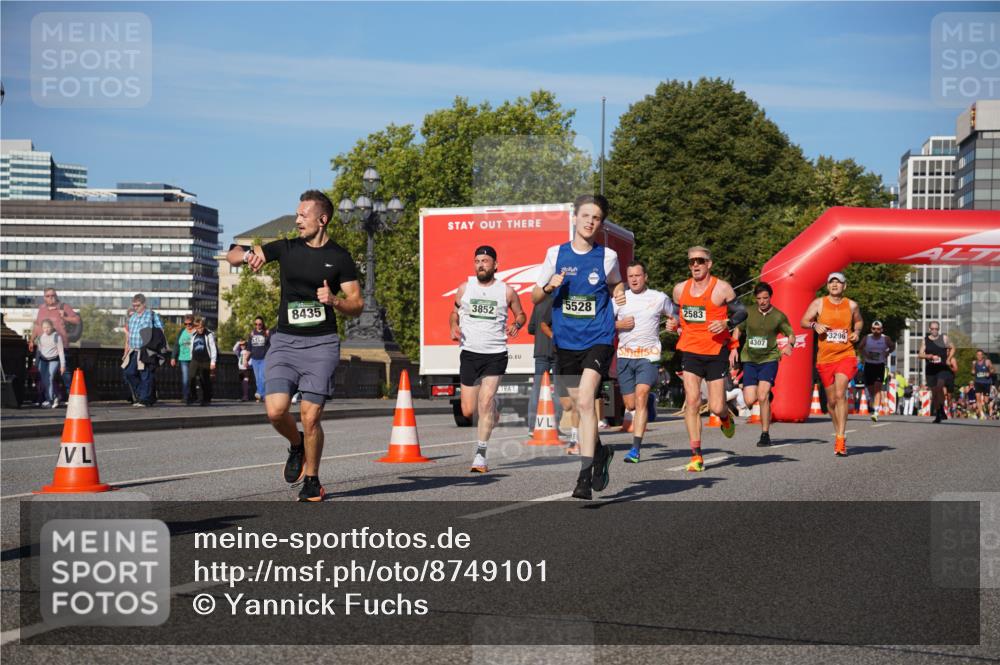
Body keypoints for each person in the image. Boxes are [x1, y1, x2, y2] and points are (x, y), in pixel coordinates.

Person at [227, 190, 362, 502]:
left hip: (321, 345)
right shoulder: (286, 248)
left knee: (311, 416)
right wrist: (248, 256)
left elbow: (356, 303)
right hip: (285, 343)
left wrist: (335, 301)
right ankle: (297, 444)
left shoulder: (340, 257)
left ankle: (313, 480)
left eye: (304, 215)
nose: (298, 220)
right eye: (297, 214)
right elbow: (233, 251)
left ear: (322, 219)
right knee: (275, 412)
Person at [532, 194, 625, 500]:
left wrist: (620, 293)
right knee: (574, 406)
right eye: (585, 216)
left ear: (601, 224)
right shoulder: (555, 254)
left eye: (596, 218)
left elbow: (614, 283)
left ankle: (584, 477)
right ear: (574, 218)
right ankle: (599, 453)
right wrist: (550, 286)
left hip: (598, 337)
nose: (590, 222)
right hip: (566, 341)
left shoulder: (607, 257)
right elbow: (535, 297)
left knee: (586, 402)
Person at [664, 246, 745, 472]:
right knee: (692, 401)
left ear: (709, 264)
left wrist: (727, 323)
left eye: (700, 261)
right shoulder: (680, 289)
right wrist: (674, 324)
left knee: (717, 406)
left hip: (716, 351)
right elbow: (677, 316)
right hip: (690, 350)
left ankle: (725, 418)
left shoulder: (721, 288)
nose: (695, 265)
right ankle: (696, 455)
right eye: (691, 262)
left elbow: (742, 312)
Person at [450, 245, 526, 473]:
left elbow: (521, 314)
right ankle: (494, 409)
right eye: (477, 261)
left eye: (485, 261)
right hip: (470, 353)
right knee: (467, 410)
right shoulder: (464, 289)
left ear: (495, 265)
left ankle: (480, 457)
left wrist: (516, 324)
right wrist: (453, 325)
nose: (481, 265)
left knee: (485, 401)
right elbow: (454, 312)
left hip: (495, 354)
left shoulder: (506, 291)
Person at [613, 260, 676, 463]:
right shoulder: (619, 299)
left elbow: (674, 315)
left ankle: (635, 449)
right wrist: (618, 324)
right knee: (630, 404)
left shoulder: (658, 298)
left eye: (637, 276)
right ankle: (648, 400)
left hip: (648, 356)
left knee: (640, 397)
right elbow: (603, 323)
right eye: (630, 276)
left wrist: (674, 323)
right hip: (625, 356)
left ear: (645, 277)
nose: (634, 279)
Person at [800, 272, 863, 456]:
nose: (835, 285)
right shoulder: (819, 303)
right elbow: (804, 320)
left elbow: (858, 321)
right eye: (831, 282)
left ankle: (841, 438)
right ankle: (838, 433)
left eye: (838, 282)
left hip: (846, 354)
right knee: (831, 402)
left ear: (845, 286)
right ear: (827, 286)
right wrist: (814, 326)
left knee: (840, 393)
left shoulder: (851, 305)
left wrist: (857, 332)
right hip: (825, 358)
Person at [737, 282, 794, 447]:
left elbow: (791, 334)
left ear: (770, 297)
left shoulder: (778, 316)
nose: (762, 301)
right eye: (759, 298)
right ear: (755, 298)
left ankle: (765, 434)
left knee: (762, 396)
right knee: (749, 400)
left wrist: (789, 345)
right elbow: (738, 330)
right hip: (749, 359)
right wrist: (733, 347)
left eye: (765, 298)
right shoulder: (748, 312)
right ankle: (767, 396)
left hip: (769, 359)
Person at [28, 288, 80, 401]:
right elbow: (37, 326)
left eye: (53, 295)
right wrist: (32, 340)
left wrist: (65, 317)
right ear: (44, 297)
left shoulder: (63, 306)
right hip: (44, 348)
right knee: (44, 375)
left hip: (60, 345)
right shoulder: (41, 309)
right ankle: (48, 397)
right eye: (48, 295)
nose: (51, 297)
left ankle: (72, 399)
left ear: (56, 296)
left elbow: (77, 320)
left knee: (65, 373)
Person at [526, 293, 565, 441]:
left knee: (537, 388)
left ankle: (532, 427)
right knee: (559, 389)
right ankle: (554, 425)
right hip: (557, 350)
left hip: (541, 351)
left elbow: (531, 328)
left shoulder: (539, 303)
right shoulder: (561, 301)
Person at [122, 293, 163, 408]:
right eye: (134, 306)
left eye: (138, 305)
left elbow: (160, 332)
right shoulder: (133, 317)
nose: (135, 308)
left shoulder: (152, 315)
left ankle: (145, 399)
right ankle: (145, 394)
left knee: (146, 374)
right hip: (134, 350)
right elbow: (130, 335)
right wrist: (127, 350)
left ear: (144, 304)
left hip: (147, 349)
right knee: (129, 372)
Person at [918, 321, 956, 424]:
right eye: (933, 329)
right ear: (929, 329)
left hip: (942, 368)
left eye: (936, 329)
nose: (934, 330)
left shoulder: (944, 338)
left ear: (938, 329)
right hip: (931, 369)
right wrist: (928, 356)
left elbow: (953, 348)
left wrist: (948, 359)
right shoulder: (925, 340)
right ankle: (939, 412)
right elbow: (920, 355)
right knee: (934, 393)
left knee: (939, 388)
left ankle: (941, 409)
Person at [859, 320, 895, 422]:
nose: (876, 331)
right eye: (874, 329)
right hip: (869, 365)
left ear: (881, 330)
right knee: (871, 391)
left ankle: (876, 412)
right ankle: (873, 401)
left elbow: (892, 346)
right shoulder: (867, 338)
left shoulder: (885, 339)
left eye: (878, 329)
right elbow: (860, 347)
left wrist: (888, 352)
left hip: (880, 365)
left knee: (878, 389)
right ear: (871, 329)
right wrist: (866, 355)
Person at [34, 319, 65, 408]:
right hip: (43, 361)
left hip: (54, 360)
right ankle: (56, 396)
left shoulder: (57, 337)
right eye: (44, 328)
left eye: (48, 327)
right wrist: (36, 363)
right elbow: (38, 351)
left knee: (50, 378)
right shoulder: (40, 337)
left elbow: (61, 351)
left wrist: (63, 365)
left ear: (52, 327)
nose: (46, 329)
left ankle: (49, 400)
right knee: (44, 381)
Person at [186, 317, 217, 406]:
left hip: (205, 361)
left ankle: (206, 399)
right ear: (195, 327)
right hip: (195, 360)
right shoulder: (194, 335)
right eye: (198, 328)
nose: (200, 329)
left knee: (204, 380)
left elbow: (213, 348)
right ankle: (193, 396)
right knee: (191, 377)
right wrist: (191, 357)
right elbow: (191, 347)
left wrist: (213, 362)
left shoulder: (209, 335)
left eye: (202, 327)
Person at [170, 315, 195, 404]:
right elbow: (177, 345)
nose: (188, 325)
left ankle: (193, 395)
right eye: (186, 324)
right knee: (185, 378)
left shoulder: (196, 331)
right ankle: (186, 396)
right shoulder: (182, 331)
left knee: (192, 378)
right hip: (183, 358)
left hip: (194, 359)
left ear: (193, 322)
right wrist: (173, 357)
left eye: (190, 323)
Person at [247, 316, 270, 401]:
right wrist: (246, 359)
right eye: (256, 324)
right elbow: (249, 347)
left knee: (262, 377)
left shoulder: (266, 333)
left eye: (259, 324)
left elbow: (269, 346)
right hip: (254, 359)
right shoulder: (252, 333)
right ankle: (263, 396)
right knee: (257, 379)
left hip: (263, 358)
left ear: (262, 324)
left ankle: (259, 393)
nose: (258, 326)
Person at [972, 349, 994, 420]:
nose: (979, 356)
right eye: (978, 355)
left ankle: (986, 410)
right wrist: (972, 371)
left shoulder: (987, 362)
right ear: (976, 355)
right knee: (978, 398)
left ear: (983, 355)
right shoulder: (974, 362)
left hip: (986, 382)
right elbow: (973, 371)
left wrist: (989, 373)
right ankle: (981, 414)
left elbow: (993, 369)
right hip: (978, 382)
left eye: (981, 355)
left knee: (986, 400)